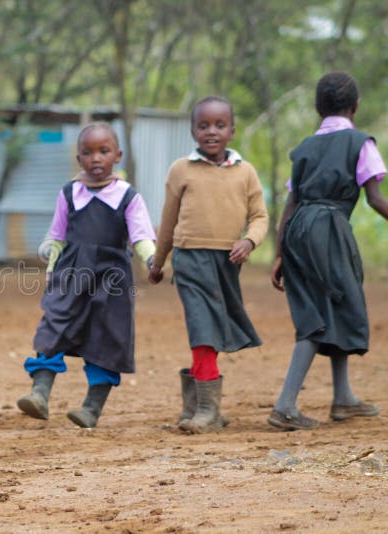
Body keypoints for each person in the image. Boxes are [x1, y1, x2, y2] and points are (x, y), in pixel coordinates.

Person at [17, 122, 156, 429]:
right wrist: (49, 262)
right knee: (54, 325)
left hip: (112, 279)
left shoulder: (128, 196)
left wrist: (151, 259)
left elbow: (142, 236)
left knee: (108, 336)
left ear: (117, 155)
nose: (96, 158)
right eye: (88, 152)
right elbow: (57, 236)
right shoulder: (69, 193)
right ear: (78, 159)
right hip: (71, 273)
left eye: (103, 151)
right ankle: (39, 392)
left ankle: (92, 407)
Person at [268, 72, 387, 431]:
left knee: (336, 303)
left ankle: (344, 398)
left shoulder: (305, 146)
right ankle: (285, 405)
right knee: (319, 312)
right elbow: (375, 198)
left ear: (319, 108)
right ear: (356, 106)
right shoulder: (359, 142)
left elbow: (291, 203)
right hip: (329, 229)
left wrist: (279, 254)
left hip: (299, 228)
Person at [148, 96, 268, 434]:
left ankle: (194, 407)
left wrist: (250, 241)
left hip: (227, 262)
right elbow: (168, 221)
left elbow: (260, 216)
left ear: (232, 130)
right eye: (203, 126)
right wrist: (158, 263)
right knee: (202, 326)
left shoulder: (246, 172)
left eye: (219, 125)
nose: (211, 132)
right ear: (192, 131)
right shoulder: (181, 170)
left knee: (214, 327)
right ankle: (207, 410)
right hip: (189, 260)